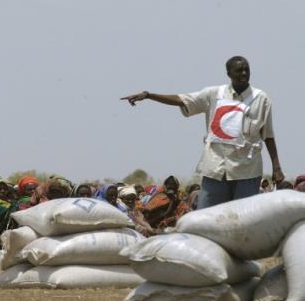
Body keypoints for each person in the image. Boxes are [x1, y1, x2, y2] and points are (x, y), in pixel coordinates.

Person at [122, 56, 284, 209]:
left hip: (247, 170)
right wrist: (149, 95)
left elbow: (268, 135)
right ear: (228, 73)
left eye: (246, 70)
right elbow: (182, 99)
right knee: (205, 215)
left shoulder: (261, 99)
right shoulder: (214, 94)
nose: (244, 73)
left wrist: (276, 167)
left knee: (245, 218)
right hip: (216, 168)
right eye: (239, 70)